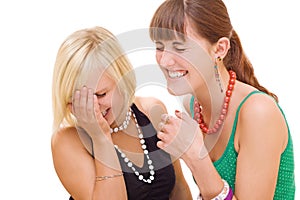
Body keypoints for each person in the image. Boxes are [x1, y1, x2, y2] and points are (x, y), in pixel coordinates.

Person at [149, 0, 295, 199]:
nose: (164, 61)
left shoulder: (258, 113)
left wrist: (195, 156)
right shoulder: (192, 106)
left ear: (219, 49)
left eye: (180, 47)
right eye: (159, 46)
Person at [51, 26, 192, 200]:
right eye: (82, 100)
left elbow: (179, 190)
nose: (94, 106)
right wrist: (101, 138)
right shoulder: (67, 142)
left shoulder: (152, 111)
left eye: (101, 94)